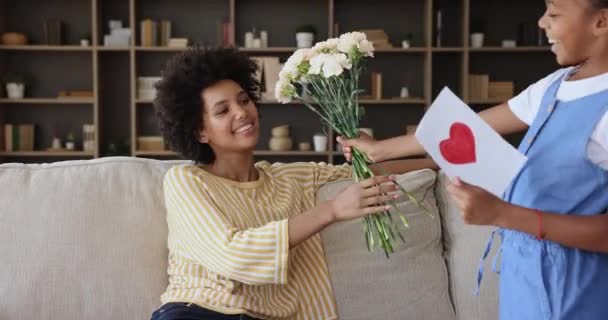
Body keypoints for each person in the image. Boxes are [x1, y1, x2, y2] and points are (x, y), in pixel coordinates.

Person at [339, 0, 608, 318]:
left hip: (578, 290)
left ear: (601, 21)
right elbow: (468, 129)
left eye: (554, 13)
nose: (541, 22)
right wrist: (380, 150)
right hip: (523, 278)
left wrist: (503, 214)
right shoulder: (555, 85)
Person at [150, 46, 434, 320]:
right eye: (222, 111)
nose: (241, 112)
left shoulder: (291, 178)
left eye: (244, 100)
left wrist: (444, 159)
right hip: (196, 312)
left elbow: (368, 170)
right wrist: (332, 210)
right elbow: (234, 256)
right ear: (200, 132)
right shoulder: (186, 181)